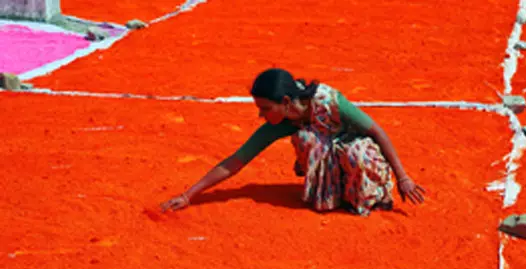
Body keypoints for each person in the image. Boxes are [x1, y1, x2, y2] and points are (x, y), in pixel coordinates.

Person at [160, 68, 425, 216]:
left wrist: (402, 178)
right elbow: (235, 162)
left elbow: (377, 132)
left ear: (286, 103)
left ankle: (370, 193)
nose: (261, 114)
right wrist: (188, 195)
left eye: (265, 108)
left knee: (354, 151)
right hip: (335, 157)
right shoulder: (283, 121)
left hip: (361, 154)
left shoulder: (331, 102)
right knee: (307, 140)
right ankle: (337, 195)